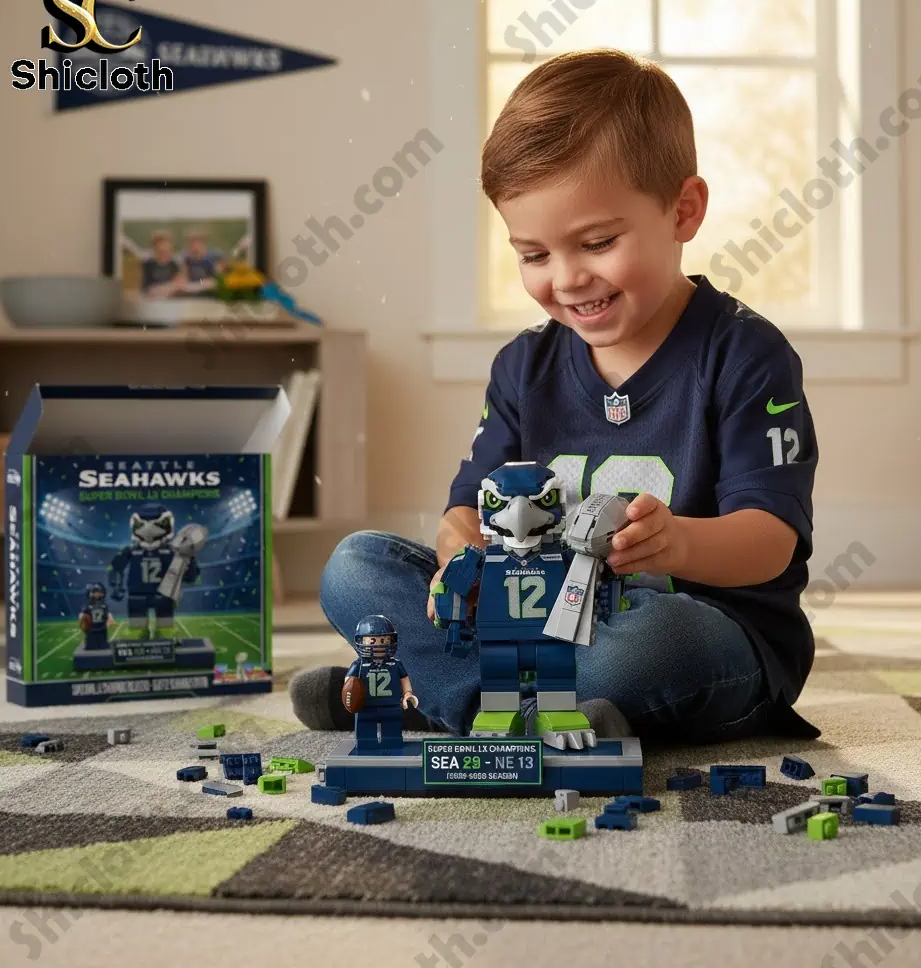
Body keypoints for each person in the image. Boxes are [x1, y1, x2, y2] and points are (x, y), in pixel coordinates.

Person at [291, 48, 820, 745]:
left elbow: (771, 544)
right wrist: (461, 556)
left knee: (654, 643)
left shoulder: (745, 354)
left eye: (597, 242)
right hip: (532, 623)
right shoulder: (524, 366)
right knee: (356, 565)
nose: (567, 279)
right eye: (534, 255)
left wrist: (677, 543)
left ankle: (431, 696)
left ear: (684, 210)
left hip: (705, 631)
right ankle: (513, 710)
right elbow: (462, 511)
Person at [141, 228, 185, 297]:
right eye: (160, 244)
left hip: (171, 298)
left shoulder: (175, 263)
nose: (164, 247)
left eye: (166, 244)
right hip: (153, 298)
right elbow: (145, 288)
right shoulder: (148, 264)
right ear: (154, 246)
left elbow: (179, 283)